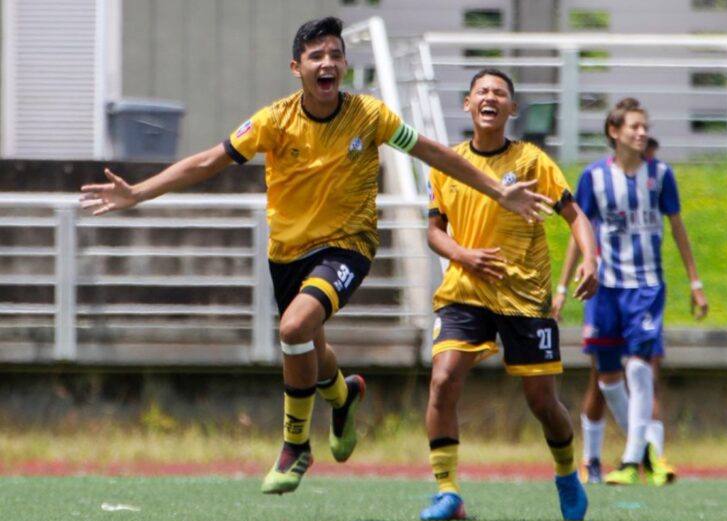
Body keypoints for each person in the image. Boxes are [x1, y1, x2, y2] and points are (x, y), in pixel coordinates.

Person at [80, 18, 553, 495]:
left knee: (292, 328)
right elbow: (207, 161)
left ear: (344, 64)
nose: (327, 63)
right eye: (316, 56)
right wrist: (137, 192)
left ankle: (295, 445)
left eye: (335, 55)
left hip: (349, 246)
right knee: (311, 346)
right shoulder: (273, 121)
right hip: (286, 254)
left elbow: (434, 153)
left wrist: (498, 190)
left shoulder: (370, 115)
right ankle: (343, 396)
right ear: (296, 68)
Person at [420, 68, 598, 521]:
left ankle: (565, 473)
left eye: (500, 93)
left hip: (525, 296)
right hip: (465, 288)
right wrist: (465, 255)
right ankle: (448, 491)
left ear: (512, 109)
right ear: (467, 103)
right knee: (442, 379)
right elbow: (434, 231)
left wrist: (592, 260)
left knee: (542, 402)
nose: (490, 98)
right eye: (482, 91)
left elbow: (574, 215)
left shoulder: (534, 161)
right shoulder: (448, 163)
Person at [552, 99, 708, 486]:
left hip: (646, 286)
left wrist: (695, 282)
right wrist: (561, 284)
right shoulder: (593, 178)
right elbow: (579, 231)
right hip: (603, 289)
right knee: (606, 379)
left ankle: (631, 459)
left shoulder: (661, 175)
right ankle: (637, 455)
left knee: (640, 367)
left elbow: (677, 229)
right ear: (613, 131)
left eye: (644, 126)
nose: (642, 133)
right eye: (634, 127)